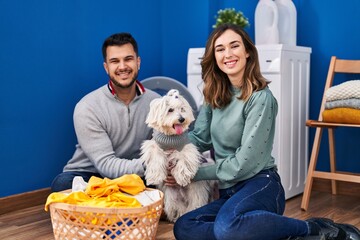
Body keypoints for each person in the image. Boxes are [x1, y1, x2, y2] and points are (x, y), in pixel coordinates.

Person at [171, 24, 360, 240]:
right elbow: (200, 139)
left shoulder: (261, 98)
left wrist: (190, 174)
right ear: (214, 57)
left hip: (261, 185)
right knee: (184, 226)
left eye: (234, 46)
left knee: (226, 228)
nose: (228, 54)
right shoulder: (213, 95)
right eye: (220, 49)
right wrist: (170, 151)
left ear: (248, 52)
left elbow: (245, 163)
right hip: (228, 192)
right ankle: (257, 231)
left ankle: (313, 228)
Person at [51, 32, 160, 192]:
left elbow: (163, 145)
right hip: (92, 174)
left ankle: (116, 205)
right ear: (106, 67)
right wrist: (154, 164)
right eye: (115, 61)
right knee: (63, 184)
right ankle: (126, 203)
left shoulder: (156, 103)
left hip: (135, 174)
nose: (122, 67)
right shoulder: (87, 107)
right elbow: (106, 165)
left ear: (138, 62)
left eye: (128, 59)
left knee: (161, 181)